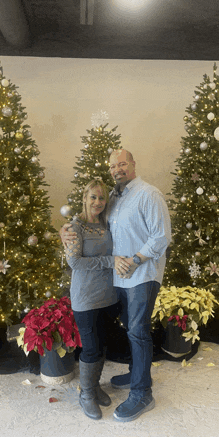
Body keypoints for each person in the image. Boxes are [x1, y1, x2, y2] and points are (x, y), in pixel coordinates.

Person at [61, 150, 171, 423]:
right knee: (131, 330)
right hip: (117, 279)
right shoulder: (114, 199)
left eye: (122, 163)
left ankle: (143, 392)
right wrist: (67, 229)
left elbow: (161, 236)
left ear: (133, 165)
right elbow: (90, 221)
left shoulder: (148, 194)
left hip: (142, 274)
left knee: (138, 332)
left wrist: (134, 260)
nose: (116, 169)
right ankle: (136, 374)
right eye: (112, 166)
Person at [63, 178, 130, 421]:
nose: (98, 202)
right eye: (94, 197)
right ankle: (86, 394)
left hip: (108, 295)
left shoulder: (107, 224)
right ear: (85, 198)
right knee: (90, 348)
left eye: (102, 198)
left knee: (101, 344)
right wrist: (109, 261)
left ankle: (95, 385)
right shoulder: (74, 227)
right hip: (86, 298)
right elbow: (75, 262)